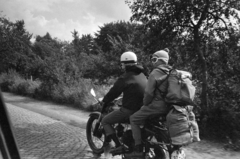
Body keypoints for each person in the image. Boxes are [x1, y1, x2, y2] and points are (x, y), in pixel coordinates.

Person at [126, 48, 172, 157]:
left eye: (154, 59)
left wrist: (145, 104)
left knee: (134, 119)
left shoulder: (155, 73)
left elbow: (148, 93)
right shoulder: (172, 72)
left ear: (161, 60)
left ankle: (137, 149)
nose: (152, 62)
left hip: (156, 106)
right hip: (169, 107)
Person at [101, 51, 148, 152]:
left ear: (125, 64)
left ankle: (118, 145)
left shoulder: (125, 78)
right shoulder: (142, 74)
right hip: (144, 108)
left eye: (122, 64)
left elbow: (113, 92)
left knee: (105, 121)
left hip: (130, 109)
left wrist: (105, 101)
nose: (121, 66)